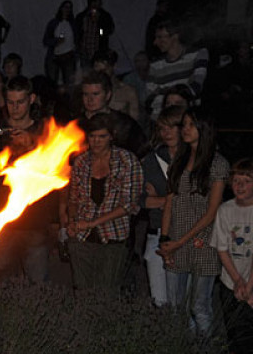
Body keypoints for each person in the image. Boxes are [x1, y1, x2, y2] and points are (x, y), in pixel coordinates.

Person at [158, 110, 229, 336]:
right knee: (176, 309)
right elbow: (170, 202)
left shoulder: (217, 164)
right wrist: (165, 239)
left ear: (203, 129)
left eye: (191, 124)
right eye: (184, 124)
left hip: (203, 241)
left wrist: (180, 241)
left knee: (199, 307)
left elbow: (211, 212)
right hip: (175, 240)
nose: (185, 129)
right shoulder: (178, 160)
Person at [0, 76, 51, 283]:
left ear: (31, 99)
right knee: (2, 285)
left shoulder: (45, 131)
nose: (15, 108)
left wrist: (32, 145)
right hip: (2, 224)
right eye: (10, 102)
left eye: (20, 102)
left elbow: (55, 174)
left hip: (35, 222)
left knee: (38, 287)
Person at [65, 114, 143, 290]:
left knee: (106, 291)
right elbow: (74, 198)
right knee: (82, 290)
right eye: (93, 136)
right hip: (82, 237)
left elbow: (128, 204)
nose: (97, 141)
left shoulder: (127, 161)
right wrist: (72, 222)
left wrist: (92, 223)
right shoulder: (82, 161)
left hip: (113, 237)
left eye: (102, 137)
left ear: (111, 136)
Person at [140, 105, 187, 306]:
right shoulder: (152, 161)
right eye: (162, 128)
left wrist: (160, 199)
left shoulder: (195, 159)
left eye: (172, 127)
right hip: (157, 233)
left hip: (187, 234)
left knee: (184, 302)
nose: (166, 133)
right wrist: (168, 200)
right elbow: (140, 200)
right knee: (160, 300)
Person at [210, 158, 253, 354]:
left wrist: (249, 286)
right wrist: (237, 281)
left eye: (246, 181)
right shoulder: (225, 210)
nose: (240, 186)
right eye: (236, 181)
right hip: (230, 280)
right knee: (235, 332)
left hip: (251, 281)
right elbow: (222, 248)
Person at [145, 19, 209, 120]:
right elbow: (150, 99)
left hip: (190, 121)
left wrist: (165, 92)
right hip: (165, 123)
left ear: (175, 36)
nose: (155, 42)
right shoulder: (155, 65)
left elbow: (196, 88)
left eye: (160, 37)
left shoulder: (198, 54)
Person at [75, 71, 147, 158]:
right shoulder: (74, 125)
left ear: (108, 95)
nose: (90, 99)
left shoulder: (124, 124)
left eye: (95, 94)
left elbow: (142, 152)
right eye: (86, 94)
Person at [92, 49, 139, 123]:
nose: (102, 75)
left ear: (113, 66)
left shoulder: (128, 91)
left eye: (105, 70)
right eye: (99, 71)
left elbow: (134, 122)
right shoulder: (85, 92)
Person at [74, 0, 115, 69]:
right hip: (84, 51)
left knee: (99, 72)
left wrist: (99, 24)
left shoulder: (104, 16)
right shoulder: (82, 16)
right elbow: (78, 32)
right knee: (86, 73)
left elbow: (106, 32)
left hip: (98, 50)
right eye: (98, 1)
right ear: (92, 2)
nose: (100, 3)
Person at [43, 0, 77, 87]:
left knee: (69, 82)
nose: (67, 10)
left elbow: (78, 38)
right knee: (52, 82)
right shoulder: (54, 23)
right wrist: (55, 41)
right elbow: (46, 40)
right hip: (55, 56)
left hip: (69, 56)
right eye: (65, 7)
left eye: (69, 8)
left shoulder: (73, 24)